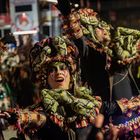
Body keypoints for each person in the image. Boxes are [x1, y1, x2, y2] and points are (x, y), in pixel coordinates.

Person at [3, 36, 139, 140]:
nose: (58, 72)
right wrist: (21, 117)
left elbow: (114, 106)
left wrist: (135, 103)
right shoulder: (45, 110)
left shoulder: (88, 103)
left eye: (63, 68)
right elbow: (38, 118)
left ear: (71, 74)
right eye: (52, 69)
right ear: (45, 77)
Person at [55, 1, 140, 139]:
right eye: (98, 27)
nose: (103, 29)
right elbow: (79, 40)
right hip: (113, 120)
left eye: (102, 25)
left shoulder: (117, 48)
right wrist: (69, 15)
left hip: (135, 115)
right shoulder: (91, 54)